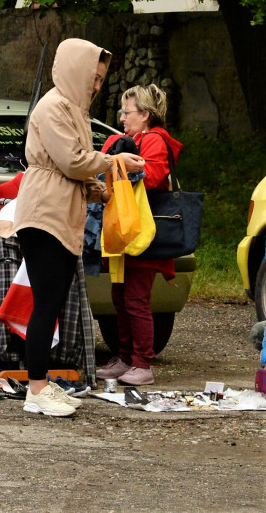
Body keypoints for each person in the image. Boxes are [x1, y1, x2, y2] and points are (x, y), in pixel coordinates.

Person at [10, 38, 145, 417]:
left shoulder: (75, 111)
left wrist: (101, 192)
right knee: (45, 304)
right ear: (75, 71)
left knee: (53, 304)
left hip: (61, 211)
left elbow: (76, 167)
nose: (97, 85)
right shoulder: (52, 107)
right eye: (93, 78)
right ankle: (35, 389)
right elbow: (71, 161)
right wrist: (116, 162)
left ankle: (42, 381)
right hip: (44, 214)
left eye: (101, 79)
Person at [95, 84, 182, 386]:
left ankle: (142, 363)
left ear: (145, 115)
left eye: (127, 112)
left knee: (135, 299)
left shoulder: (154, 139)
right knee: (120, 297)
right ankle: (125, 358)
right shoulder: (132, 139)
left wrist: (120, 159)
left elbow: (154, 177)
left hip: (145, 232)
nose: (121, 117)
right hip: (128, 231)